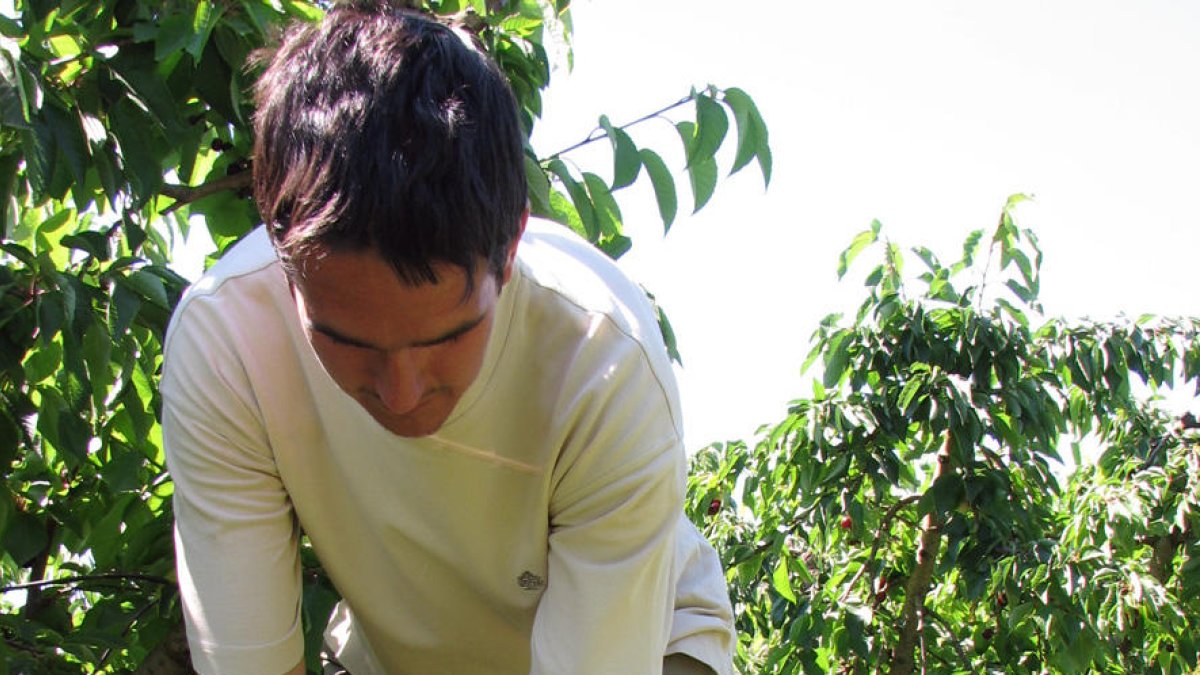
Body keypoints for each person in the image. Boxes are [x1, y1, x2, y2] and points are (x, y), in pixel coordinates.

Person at [161, 2, 735, 673]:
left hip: (644, 640)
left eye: (448, 336)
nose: (401, 394)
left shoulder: (603, 362)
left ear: (512, 242)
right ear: (284, 260)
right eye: (348, 340)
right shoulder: (226, 341)